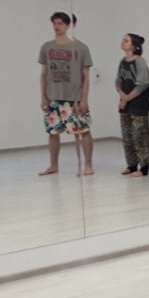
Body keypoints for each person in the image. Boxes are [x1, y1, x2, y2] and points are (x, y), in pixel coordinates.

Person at [37, 11, 94, 176]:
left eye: (61, 23)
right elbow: (44, 74)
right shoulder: (47, 47)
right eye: (55, 23)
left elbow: (86, 77)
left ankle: (88, 164)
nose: (57, 27)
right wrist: (43, 97)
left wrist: (84, 99)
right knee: (53, 132)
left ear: (68, 26)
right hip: (53, 97)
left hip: (74, 99)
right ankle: (53, 165)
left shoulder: (81, 48)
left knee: (83, 130)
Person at [116, 33, 149, 177]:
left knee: (140, 137)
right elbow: (118, 81)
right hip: (125, 106)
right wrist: (122, 96)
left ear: (133, 45)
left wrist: (126, 98)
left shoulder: (140, 61)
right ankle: (131, 165)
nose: (123, 42)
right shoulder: (123, 61)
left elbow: (142, 84)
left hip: (138, 105)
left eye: (126, 40)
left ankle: (144, 167)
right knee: (127, 137)